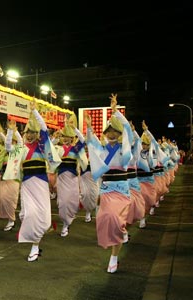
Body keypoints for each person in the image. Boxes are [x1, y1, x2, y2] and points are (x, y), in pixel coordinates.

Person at [85, 93, 132, 273]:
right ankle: (120, 235)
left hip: (121, 190)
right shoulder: (102, 148)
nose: (112, 135)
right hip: (106, 190)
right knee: (105, 219)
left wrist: (115, 111)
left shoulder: (125, 150)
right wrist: (89, 128)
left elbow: (127, 128)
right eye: (109, 132)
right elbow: (92, 141)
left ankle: (114, 256)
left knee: (114, 218)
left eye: (115, 132)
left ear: (120, 134)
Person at [17, 100, 61, 261]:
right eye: (28, 132)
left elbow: (44, 129)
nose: (30, 135)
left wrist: (35, 111)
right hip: (27, 185)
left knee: (42, 216)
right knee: (29, 214)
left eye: (33, 133)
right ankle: (33, 243)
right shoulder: (21, 148)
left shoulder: (42, 147)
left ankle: (35, 246)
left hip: (41, 184)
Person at [54, 114, 88, 237]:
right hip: (62, 179)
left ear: (72, 138)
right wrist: (54, 137)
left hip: (73, 179)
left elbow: (83, 140)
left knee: (71, 202)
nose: (66, 139)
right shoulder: (58, 149)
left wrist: (75, 129)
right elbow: (49, 149)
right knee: (62, 203)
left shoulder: (75, 149)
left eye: (69, 137)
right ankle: (65, 221)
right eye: (64, 137)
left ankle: (66, 224)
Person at [0, 119, 24, 231]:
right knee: (1, 198)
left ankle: (11, 219)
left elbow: (20, 142)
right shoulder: (5, 151)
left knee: (11, 200)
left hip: (14, 179)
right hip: (4, 178)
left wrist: (14, 131)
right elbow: (5, 144)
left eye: (14, 141)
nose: (12, 142)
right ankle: (9, 217)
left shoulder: (18, 151)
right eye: (11, 140)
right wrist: (5, 133)